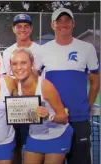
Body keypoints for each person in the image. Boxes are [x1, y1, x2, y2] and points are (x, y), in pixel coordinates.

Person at [41, 8, 100, 164]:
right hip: (52, 120)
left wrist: (86, 106)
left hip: (78, 120)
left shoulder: (87, 49)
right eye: (59, 20)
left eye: (67, 20)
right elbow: (35, 81)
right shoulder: (43, 50)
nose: (63, 24)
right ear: (52, 25)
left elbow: (95, 82)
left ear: (73, 23)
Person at [10, 47, 73, 164]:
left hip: (57, 135)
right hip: (35, 135)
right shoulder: (14, 84)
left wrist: (49, 116)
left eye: (23, 63)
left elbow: (64, 118)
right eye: (15, 64)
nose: (18, 67)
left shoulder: (45, 86)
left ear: (32, 64)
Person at [2, 13, 43, 164]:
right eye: (19, 26)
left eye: (26, 26)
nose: (22, 29)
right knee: (16, 148)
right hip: (16, 109)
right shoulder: (7, 52)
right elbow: (7, 79)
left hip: (37, 108)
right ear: (13, 29)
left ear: (31, 29)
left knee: (36, 148)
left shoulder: (41, 51)